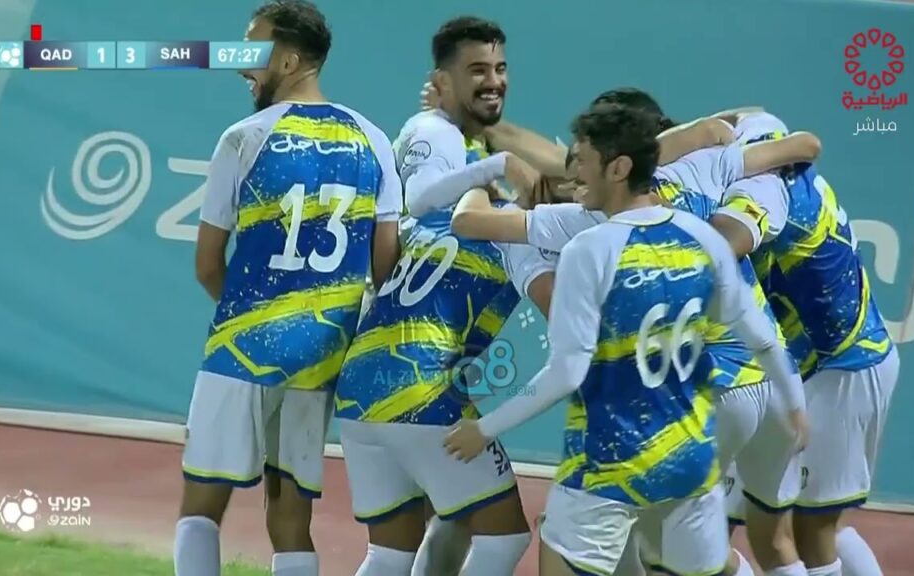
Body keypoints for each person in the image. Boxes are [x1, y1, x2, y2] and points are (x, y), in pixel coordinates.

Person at [445, 103, 806, 576]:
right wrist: (796, 406)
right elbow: (762, 335)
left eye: (581, 161)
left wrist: (485, 429)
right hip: (692, 444)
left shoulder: (588, 243)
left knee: (563, 553)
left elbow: (567, 371)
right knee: (683, 562)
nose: (572, 174)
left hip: (617, 445)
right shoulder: (704, 232)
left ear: (617, 168)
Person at [175, 3, 402, 575]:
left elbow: (207, 265)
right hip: (322, 356)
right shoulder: (375, 140)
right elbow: (386, 267)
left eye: (253, 50)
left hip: (242, 348)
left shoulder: (243, 138)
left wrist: (251, 318)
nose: (240, 65)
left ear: (290, 60)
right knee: (291, 519)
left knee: (201, 508)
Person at [332, 16, 541, 576]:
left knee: (389, 551)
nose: (494, 80)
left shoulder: (446, 209)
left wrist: (493, 157)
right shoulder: (517, 229)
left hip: (361, 383)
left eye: (500, 68)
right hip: (423, 389)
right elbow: (427, 192)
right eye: (477, 69)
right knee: (504, 539)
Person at [717, 112, 899, 576]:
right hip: (799, 368)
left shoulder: (762, 195)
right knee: (733, 522)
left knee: (813, 529)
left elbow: (718, 246)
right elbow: (751, 113)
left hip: (842, 366)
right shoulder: (761, 133)